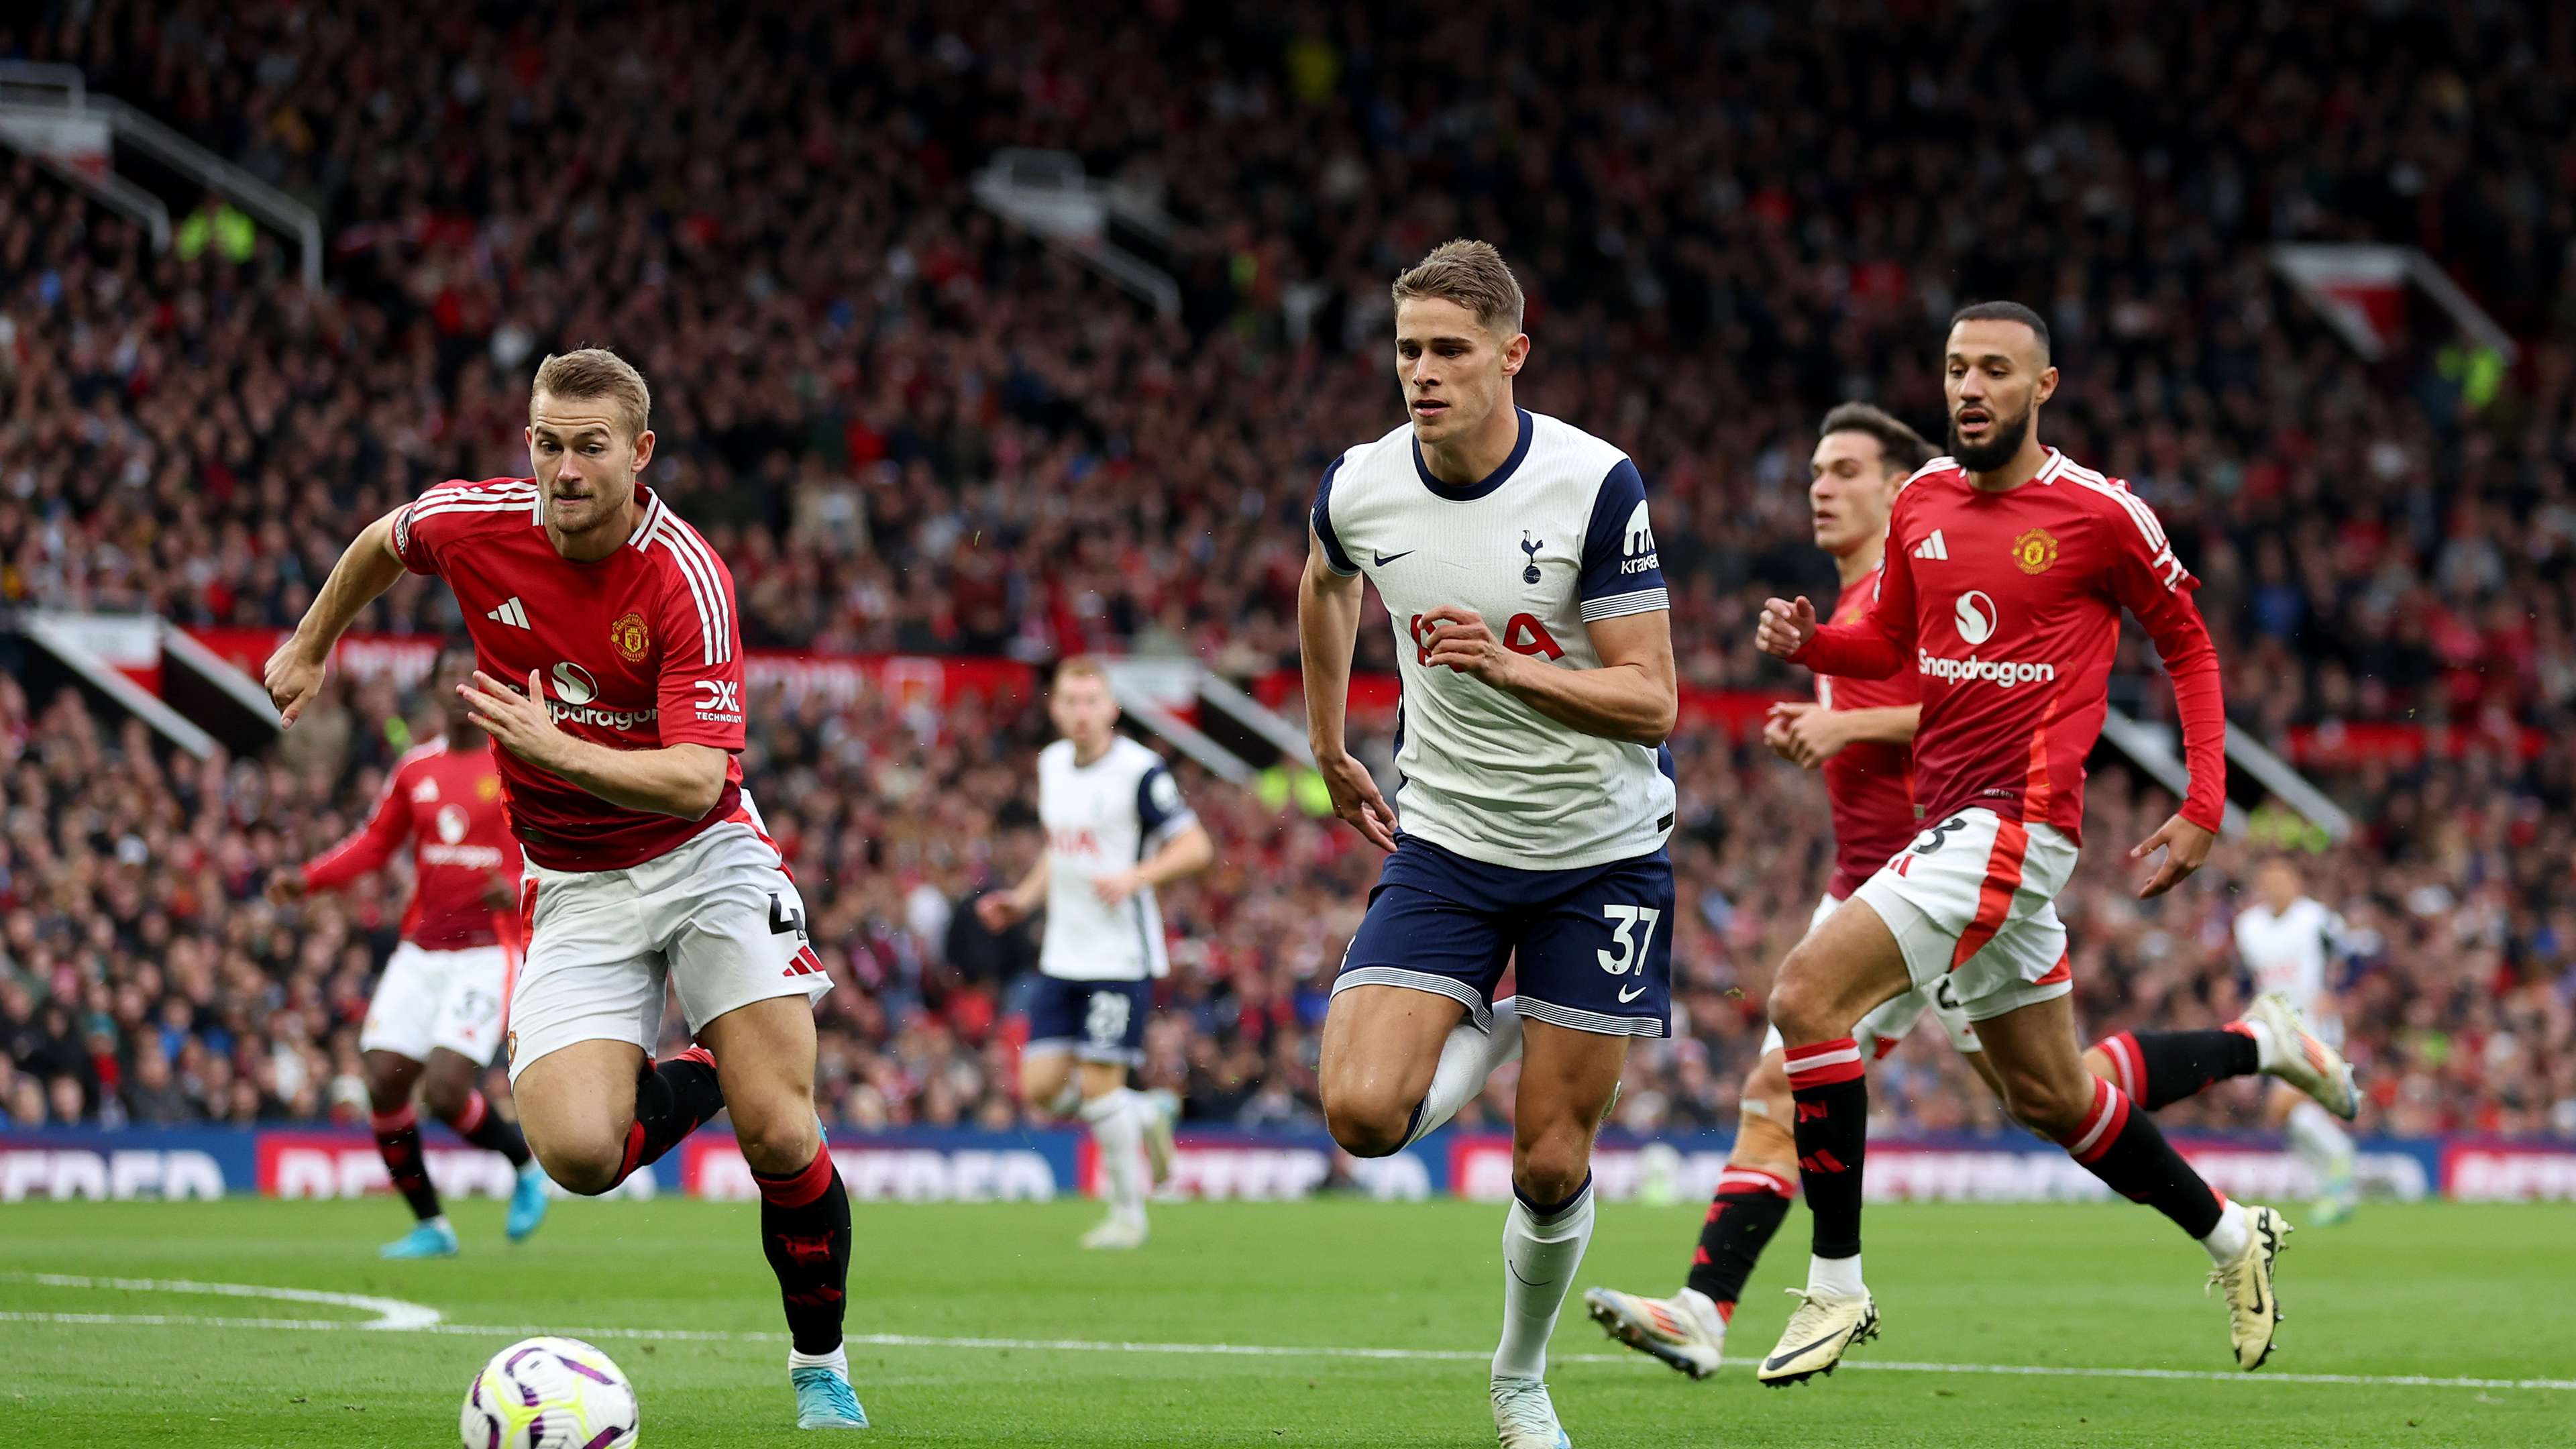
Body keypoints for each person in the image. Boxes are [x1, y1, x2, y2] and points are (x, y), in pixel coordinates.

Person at [1582, 405, 2358, 1377]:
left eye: (1848, 470)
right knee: (2052, 1092)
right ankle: (2242, 1156)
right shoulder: (1869, 597)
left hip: (1952, 858)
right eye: (1817, 470)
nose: (1823, 487)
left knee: (1795, 1050)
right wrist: (1820, 660)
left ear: (1899, 484)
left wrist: (1847, 729)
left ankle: (1763, 1297)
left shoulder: (1948, 564)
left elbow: (1971, 700)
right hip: (1893, 868)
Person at [263, 348, 866, 1430]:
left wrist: (556, 745)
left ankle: (819, 1365)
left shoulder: (685, 575)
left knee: (783, 1134)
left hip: (704, 859)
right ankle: (722, 1066)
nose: (565, 467)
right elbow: (384, 542)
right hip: (576, 878)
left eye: (591, 446)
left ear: (640, 455)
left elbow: (696, 778)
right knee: (581, 1156)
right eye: (548, 441)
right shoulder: (475, 523)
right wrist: (312, 646)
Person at [1748, 302, 2291, 1383]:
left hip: (2017, 821)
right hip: (1947, 820)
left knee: (1806, 997)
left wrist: (2204, 802)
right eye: (1956, 369)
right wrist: (1816, 641)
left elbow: (2188, 645)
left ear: (2044, 387)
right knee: (2052, 1098)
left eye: (1996, 370)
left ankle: (1836, 1287)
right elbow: (1890, 636)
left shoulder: (2101, 514)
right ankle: (2238, 1237)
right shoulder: (1922, 504)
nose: (1970, 388)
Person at [1301, 239, 1678, 1449]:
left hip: (1601, 853)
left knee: (1550, 1160)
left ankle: (1520, 1380)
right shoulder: (1361, 486)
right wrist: (1327, 741)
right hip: (1450, 840)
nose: (1422, 371)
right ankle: (1511, 1015)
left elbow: (1655, 700)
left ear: (1512, 354)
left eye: (1450, 350)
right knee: (1360, 1115)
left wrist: (1509, 664)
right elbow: (1325, 581)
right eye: (1409, 348)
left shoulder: (1594, 484)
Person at [268, 640, 549, 1257]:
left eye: (467, 675)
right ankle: (432, 1225)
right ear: (432, 689)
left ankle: (526, 1168)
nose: (457, 686)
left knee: (447, 1091)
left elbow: (554, 845)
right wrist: (308, 878)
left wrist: (527, 885)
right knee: (383, 1083)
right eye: (446, 676)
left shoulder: (521, 763)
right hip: (423, 949)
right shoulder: (416, 770)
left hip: (487, 950)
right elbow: (374, 844)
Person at [975, 656, 1214, 1249]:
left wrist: (1137, 877)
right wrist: (1022, 901)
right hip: (1063, 955)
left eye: (1092, 701)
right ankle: (1147, 1113)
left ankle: (1129, 1215)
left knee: (1101, 1088)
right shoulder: (1051, 764)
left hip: (1119, 957)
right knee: (1041, 1091)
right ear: (1055, 709)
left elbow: (1195, 846)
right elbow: (1062, 851)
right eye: (1070, 702)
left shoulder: (1140, 771)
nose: (1081, 713)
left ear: (1111, 708)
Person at [2224, 857, 2363, 1222]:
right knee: (2289, 1116)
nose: (2275, 887)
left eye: (2282, 880)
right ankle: (2335, 1189)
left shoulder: (2316, 919)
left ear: (2297, 882)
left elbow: (2354, 957)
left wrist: (2336, 991)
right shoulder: (2248, 926)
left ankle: (2340, 1164)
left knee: (2286, 1106)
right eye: (2268, 881)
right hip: (2275, 1029)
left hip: (2316, 1026)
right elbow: (2246, 975)